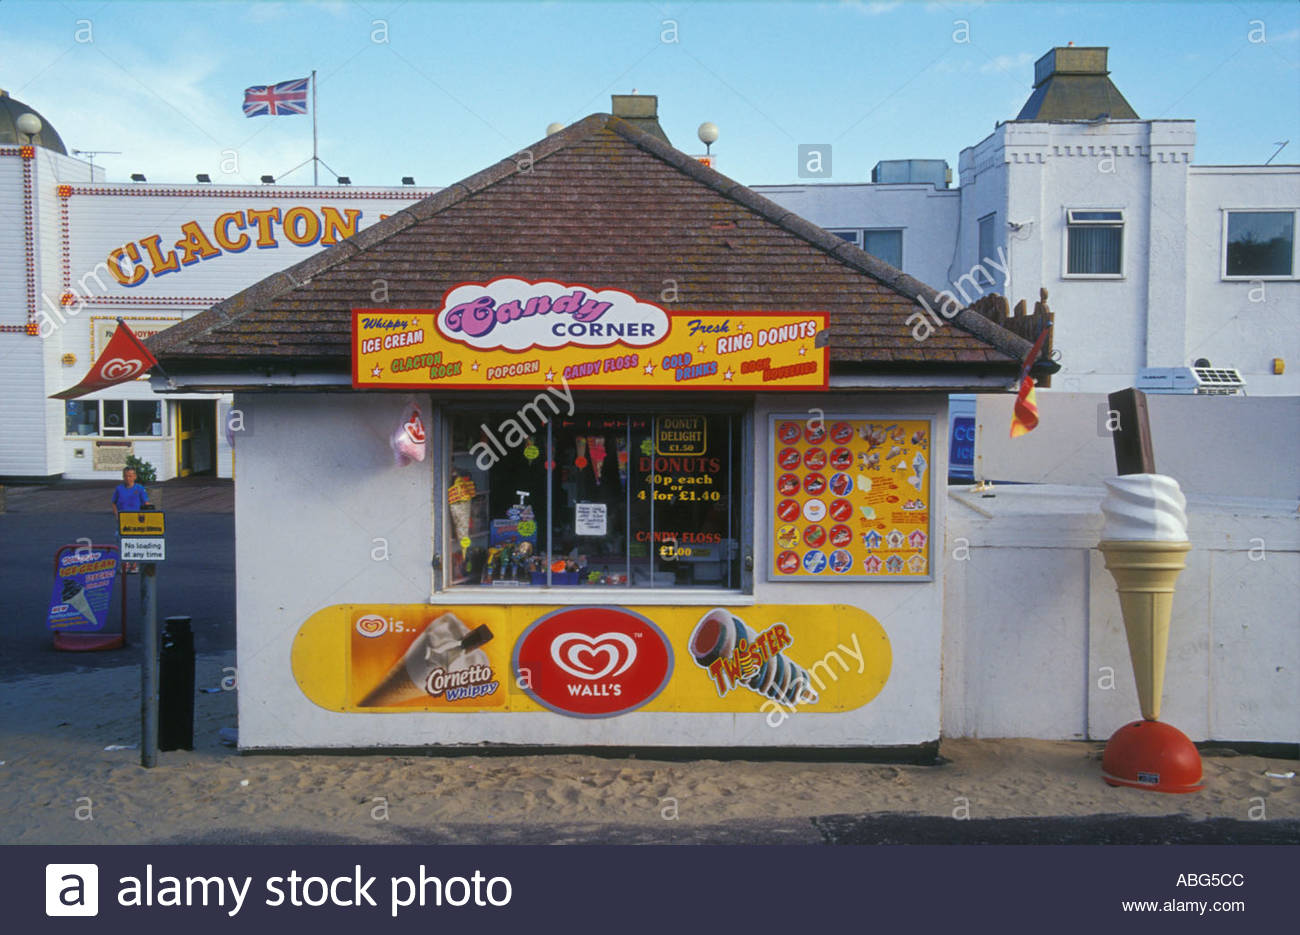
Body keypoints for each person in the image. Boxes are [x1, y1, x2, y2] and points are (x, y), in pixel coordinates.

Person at [112, 467, 150, 572]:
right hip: (123, 519)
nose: (128, 478)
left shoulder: (140, 489)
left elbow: (146, 503)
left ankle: (134, 565)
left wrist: (147, 515)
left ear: (134, 476)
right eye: (125, 476)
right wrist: (116, 515)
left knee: (135, 541)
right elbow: (114, 502)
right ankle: (125, 564)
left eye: (130, 476)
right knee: (122, 540)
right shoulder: (119, 489)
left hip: (136, 520)